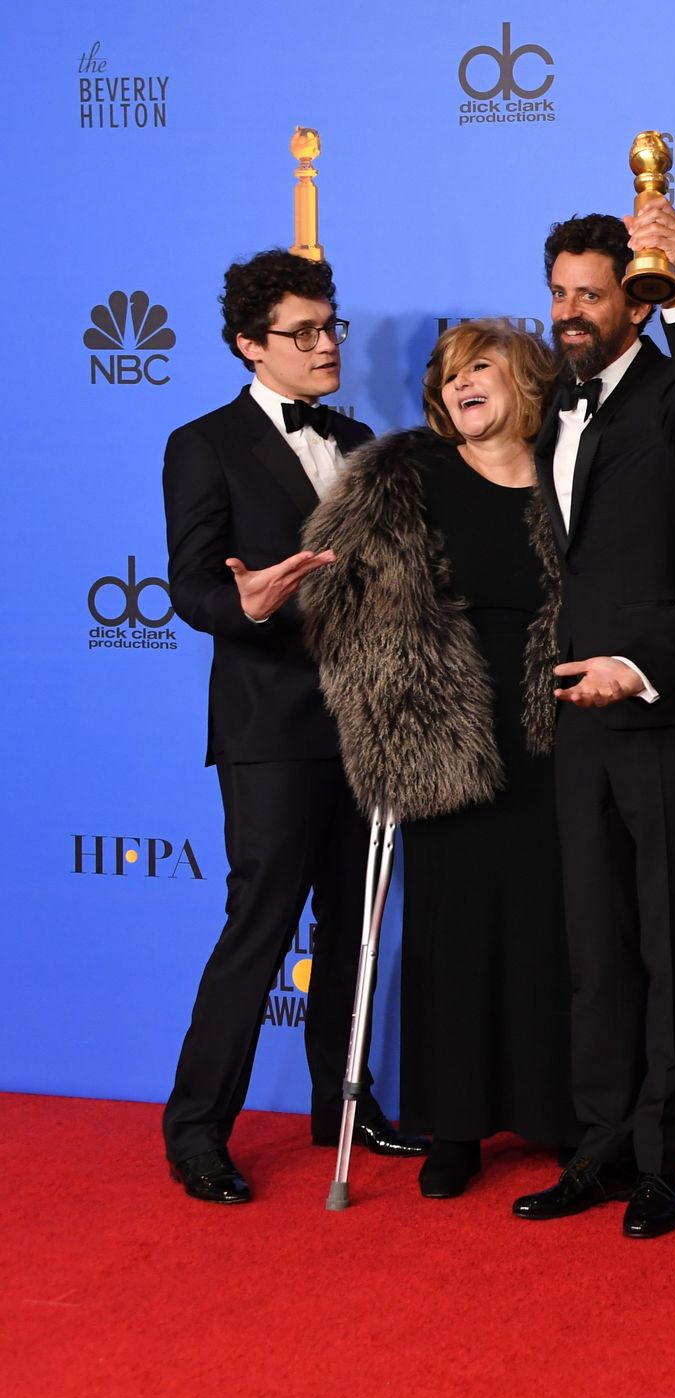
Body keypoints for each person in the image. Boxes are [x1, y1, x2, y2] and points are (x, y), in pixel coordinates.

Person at [508, 197, 675, 1239]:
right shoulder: (551, 405)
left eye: (592, 296)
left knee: (664, 947)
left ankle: (662, 1163)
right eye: (559, 294)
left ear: (634, 302)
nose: (570, 313)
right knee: (595, 950)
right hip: (574, 726)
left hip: (665, 717)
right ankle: (599, 1144)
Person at [161, 249, 423, 1204]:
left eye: (330, 328)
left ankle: (342, 1107)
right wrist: (253, 603)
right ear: (248, 345)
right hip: (270, 724)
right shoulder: (204, 443)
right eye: (302, 334)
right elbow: (192, 585)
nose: (324, 346)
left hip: (364, 722)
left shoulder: (362, 439)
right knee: (262, 924)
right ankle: (195, 1129)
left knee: (353, 931)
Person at [298, 320, 578, 1199]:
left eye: (481, 367)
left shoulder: (576, 470)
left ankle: (559, 1112)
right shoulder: (403, 476)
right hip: (444, 733)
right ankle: (454, 1127)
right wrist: (391, 688)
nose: (461, 384)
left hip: (559, 729)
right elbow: (328, 594)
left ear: (528, 380)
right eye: (450, 373)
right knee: (453, 934)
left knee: (552, 931)